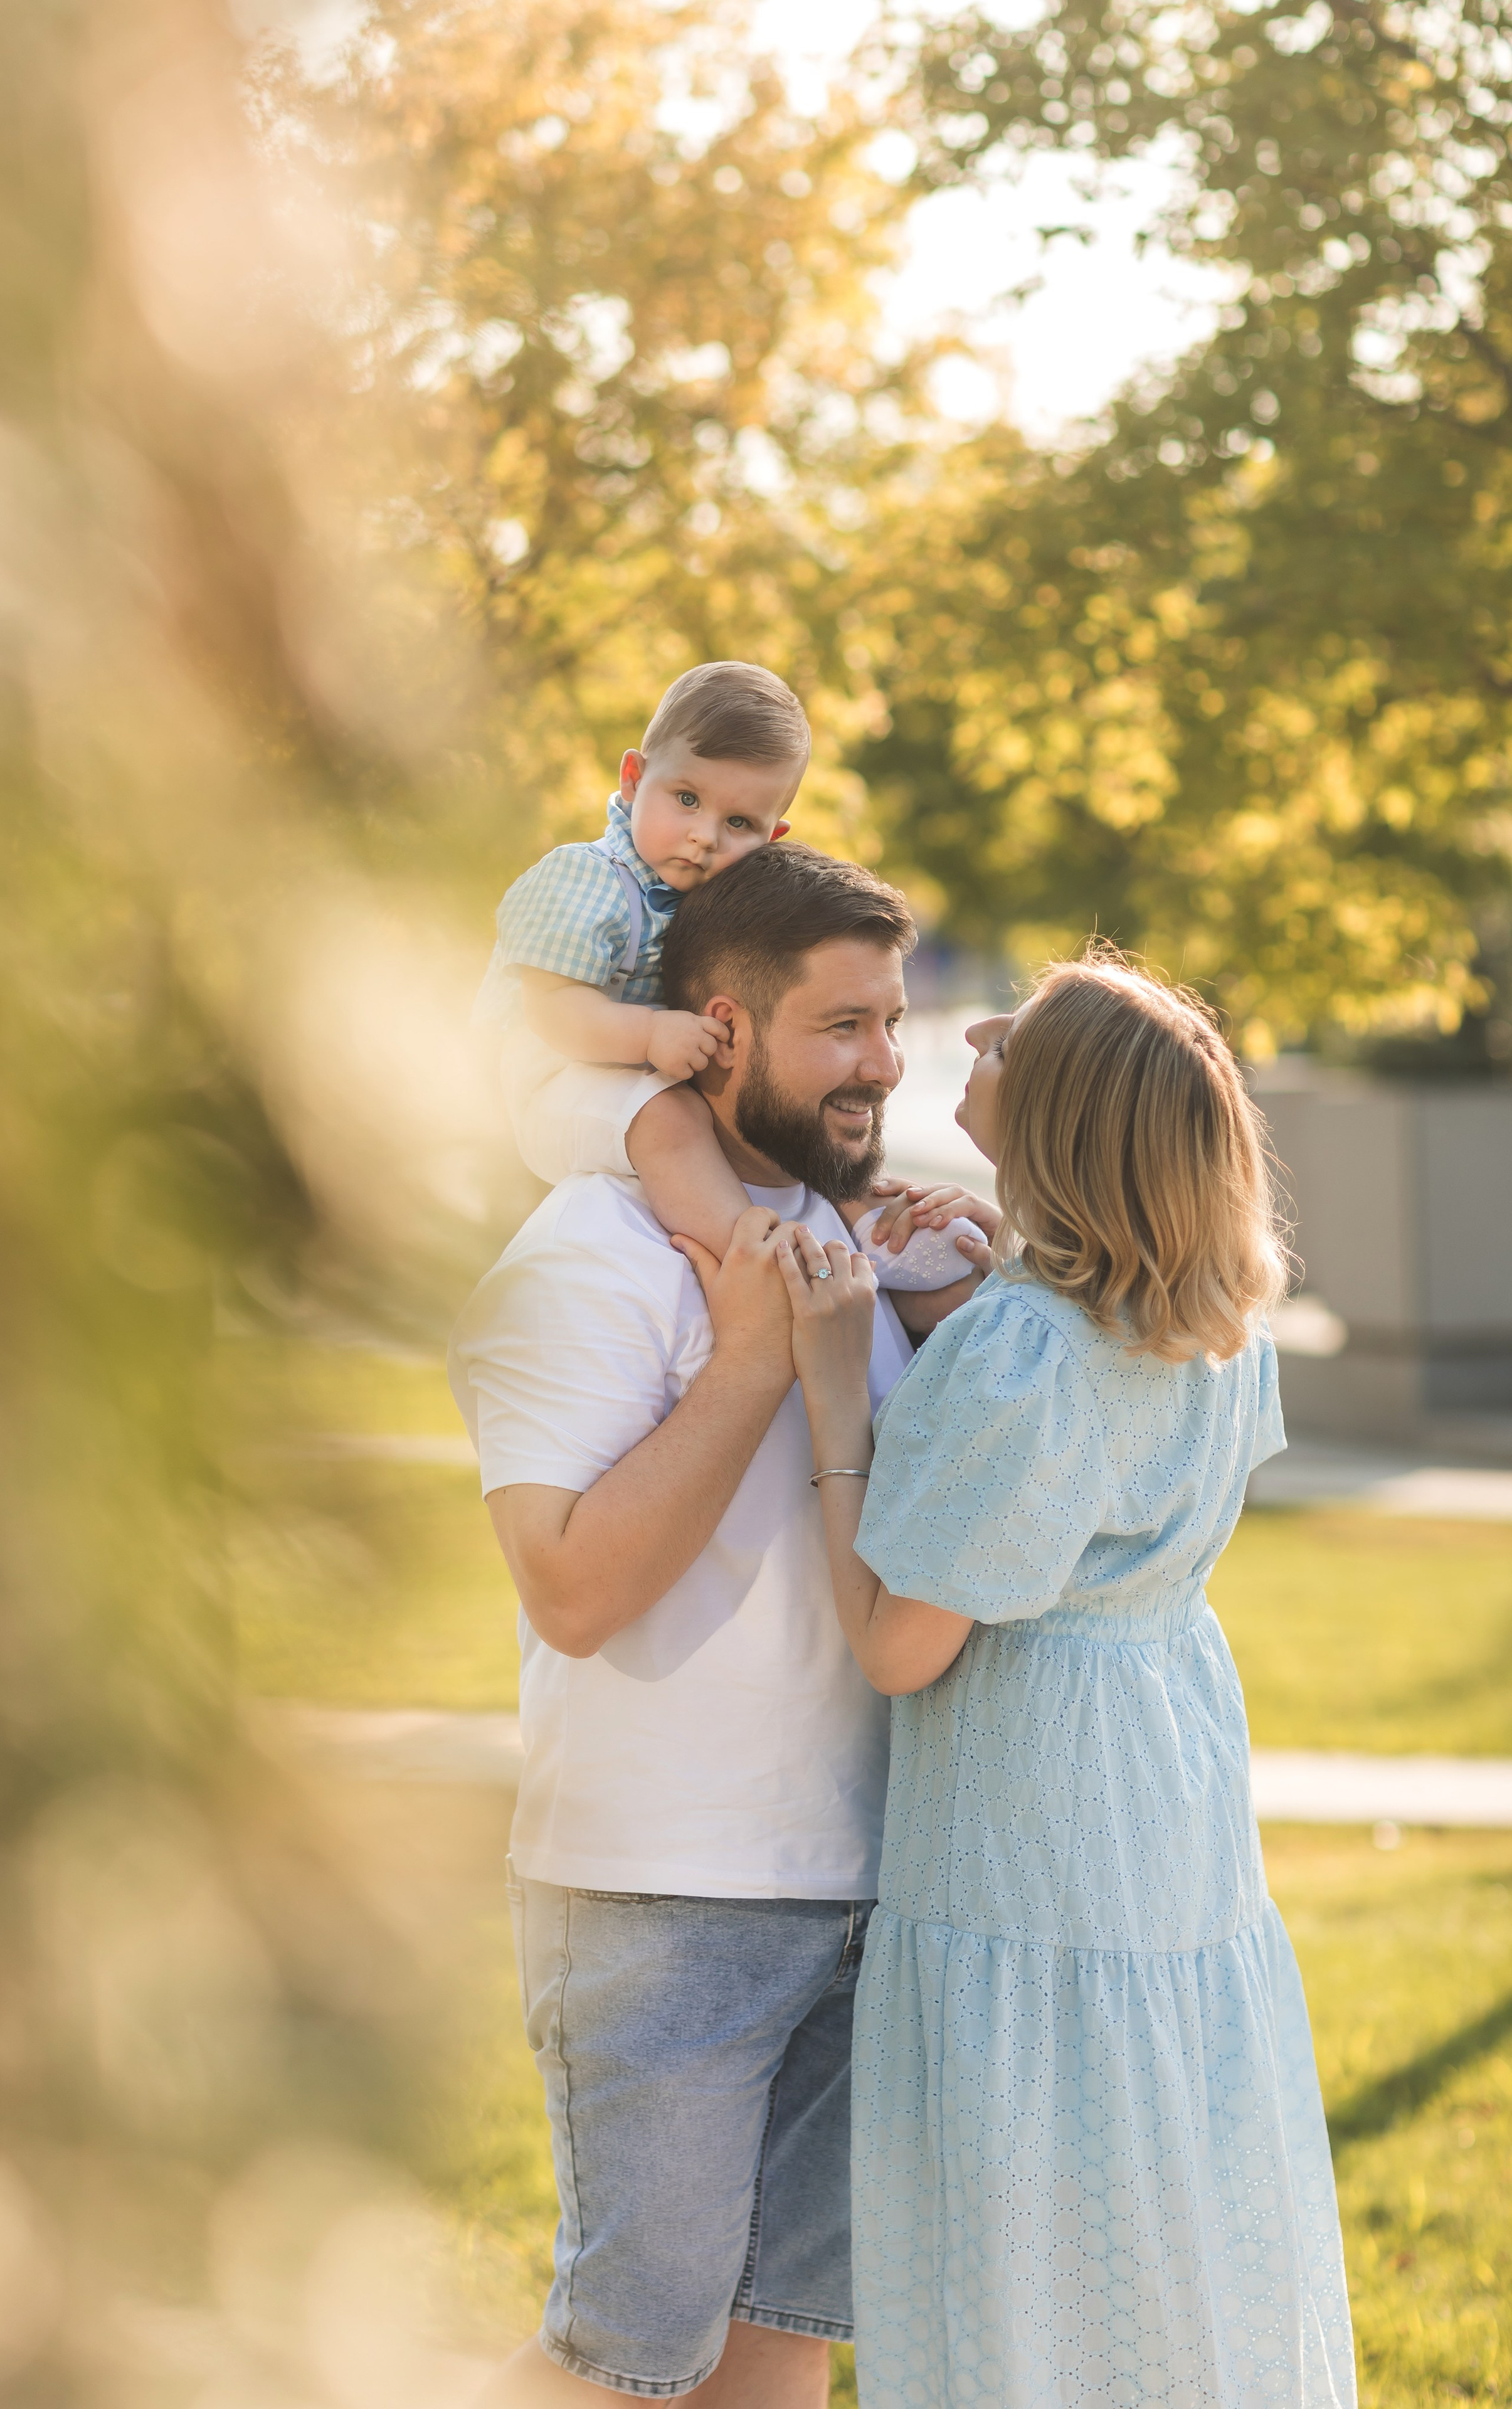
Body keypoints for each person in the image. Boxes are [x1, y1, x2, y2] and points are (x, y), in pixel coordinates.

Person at [448, 843, 994, 2406]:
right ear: (720, 1030)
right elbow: (569, 1587)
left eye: (892, 1021)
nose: (886, 1065)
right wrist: (748, 1355)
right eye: (843, 1027)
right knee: (628, 2357)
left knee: (781, 2345)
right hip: (660, 1891)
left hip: (874, 1880)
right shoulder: (582, 1258)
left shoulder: (868, 1252)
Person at [774, 951, 1357, 2409]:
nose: (968, 1032)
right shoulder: (1202, 1324)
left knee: (1023, 2231)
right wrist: (987, 1289)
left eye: (1008, 1032)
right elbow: (1088, 1465)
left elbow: (897, 1639)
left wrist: (837, 1385)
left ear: (1058, 1117)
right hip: (1162, 1805)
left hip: (1031, 1829)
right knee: (1154, 2180)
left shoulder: (1027, 1353)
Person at [473, 657, 979, 1289]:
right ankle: (759, 1265)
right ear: (633, 779)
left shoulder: (700, 894)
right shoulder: (587, 879)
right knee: (669, 1119)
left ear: (773, 834)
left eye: (738, 823)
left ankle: (869, 1223)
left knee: (765, 1117)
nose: (703, 837)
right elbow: (549, 1012)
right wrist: (652, 1037)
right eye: (686, 799)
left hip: (627, 1072)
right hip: (541, 1077)